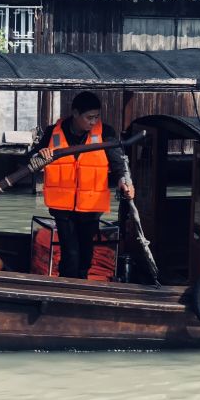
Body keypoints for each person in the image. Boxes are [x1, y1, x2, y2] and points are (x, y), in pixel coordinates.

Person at [32, 92, 134, 279]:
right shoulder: (52, 132)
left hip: (91, 206)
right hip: (62, 207)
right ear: (75, 114)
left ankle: (81, 285)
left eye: (96, 117)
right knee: (71, 253)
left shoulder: (106, 133)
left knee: (86, 253)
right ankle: (67, 288)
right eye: (89, 117)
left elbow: (119, 164)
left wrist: (124, 181)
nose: (93, 122)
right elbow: (31, 160)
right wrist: (40, 156)